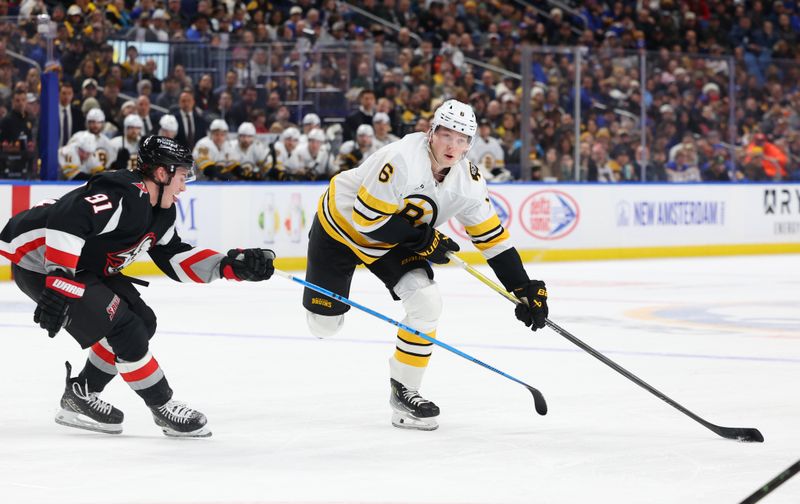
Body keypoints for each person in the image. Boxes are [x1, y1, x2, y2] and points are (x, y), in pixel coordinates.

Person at [0, 135, 276, 438]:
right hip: (40, 263)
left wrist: (229, 266)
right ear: (162, 173)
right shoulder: (122, 193)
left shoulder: (162, 211)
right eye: (182, 176)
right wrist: (60, 281)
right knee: (126, 329)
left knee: (143, 322)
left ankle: (81, 394)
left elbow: (173, 256)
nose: (184, 186)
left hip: (81, 265)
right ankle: (163, 406)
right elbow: (67, 219)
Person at [301, 100, 548, 431]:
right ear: (431, 133)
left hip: (391, 243)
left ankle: (405, 393)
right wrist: (423, 240)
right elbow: (367, 221)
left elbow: (492, 240)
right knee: (324, 327)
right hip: (340, 229)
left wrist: (523, 287)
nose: (452, 146)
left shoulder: (469, 182)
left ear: (470, 144)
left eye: (461, 139)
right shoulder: (401, 159)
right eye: (446, 135)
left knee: (426, 300)